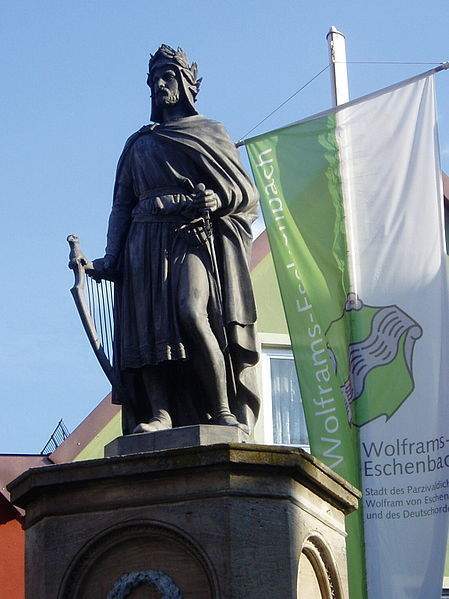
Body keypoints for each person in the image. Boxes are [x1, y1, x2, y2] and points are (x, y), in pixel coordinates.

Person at [90, 44, 260, 435]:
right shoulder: (139, 144)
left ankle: (222, 409)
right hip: (143, 239)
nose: (159, 86)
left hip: (190, 236)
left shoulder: (210, 132)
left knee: (190, 312)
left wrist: (218, 199)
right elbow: (121, 205)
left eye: (167, 77)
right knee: (148, 328)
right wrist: (111, 257)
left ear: (185, 83)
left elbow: (246, 192)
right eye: (154, 80)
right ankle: (160, 413)